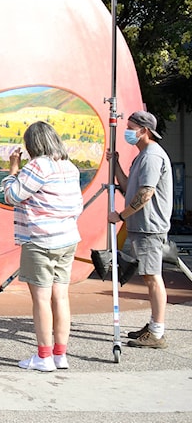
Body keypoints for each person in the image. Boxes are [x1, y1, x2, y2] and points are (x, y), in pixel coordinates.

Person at [1, 122, 84, 371]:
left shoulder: (38, 165)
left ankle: (44, 356)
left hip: (41, 240)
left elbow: (12, 195)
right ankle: (60, 354)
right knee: (60, 297)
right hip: (67, 238)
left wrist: (13, 170)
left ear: (32, 145)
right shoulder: (69, 166)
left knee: (41, 299)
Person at [107, 110, 174, 349]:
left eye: (131, 126)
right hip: (141, 226)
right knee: (149, 275)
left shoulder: (152, 156)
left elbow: (146, 194)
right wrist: (115, 166)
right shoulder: (142, 156)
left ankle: (157, 332)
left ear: (144, 130)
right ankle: (154, 325)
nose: (128, 131)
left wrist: (120, 216)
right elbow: (129, 188)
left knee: (153, 277)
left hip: (149, 227)